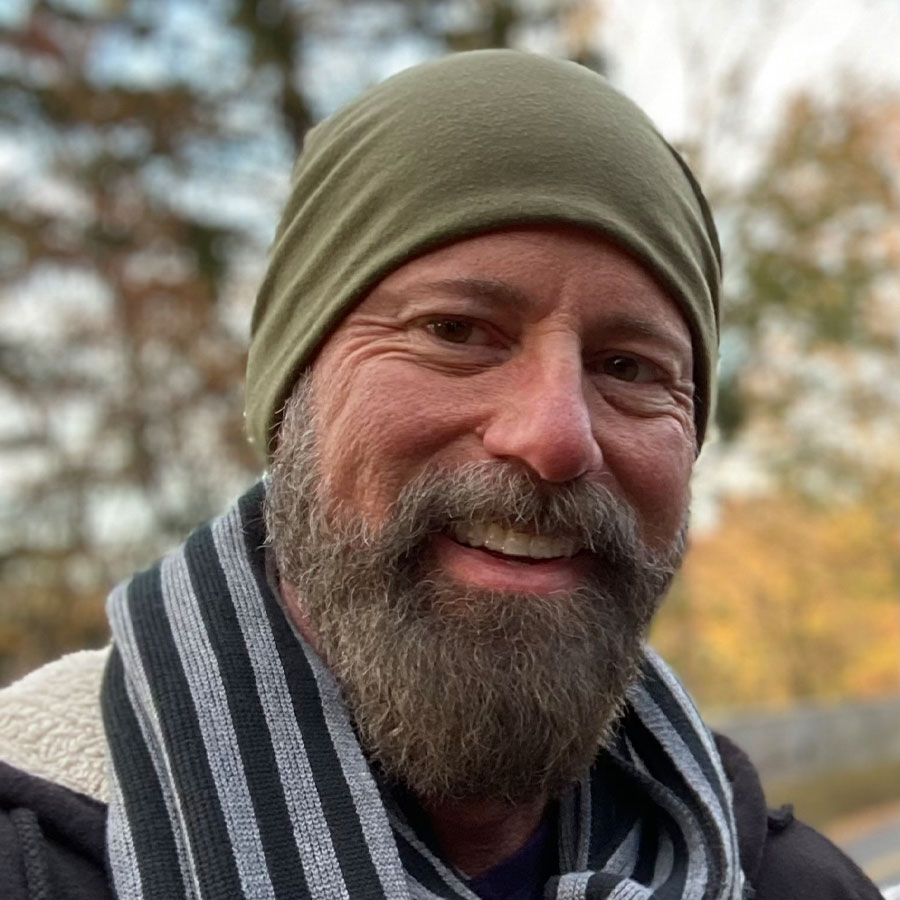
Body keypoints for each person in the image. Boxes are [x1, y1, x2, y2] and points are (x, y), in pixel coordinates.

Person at [0, 50, 883, 900]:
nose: (555, 436)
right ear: (289, 393)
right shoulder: (34, 857)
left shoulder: (786, 880)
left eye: (628, 367)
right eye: (456, 331)